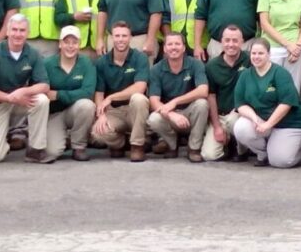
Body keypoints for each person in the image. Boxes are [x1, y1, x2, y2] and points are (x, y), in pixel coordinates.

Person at [0, 14, 54, 163]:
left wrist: (23, 92)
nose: (18, 34)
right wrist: (9, 98)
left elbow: (44, 85)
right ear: (7, 31)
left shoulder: (33, 53)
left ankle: (36, 150)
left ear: (28, 33)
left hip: (19, 100)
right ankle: (1, 138)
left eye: (22, 30)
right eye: (14, 30)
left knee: (41, 100)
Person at [232, 39, 301, 168]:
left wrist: (268, 124)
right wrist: (254, 118)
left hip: (290, 123)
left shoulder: (280, 73)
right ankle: (263, 154)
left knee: (281, 161)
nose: (256, 57)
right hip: (265, 122)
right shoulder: (245, 75)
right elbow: (241, 104)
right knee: (241, 127)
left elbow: (286, 103)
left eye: (261, 53)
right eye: (254, 53)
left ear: (269, 55)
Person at [146, 31, 212, 161]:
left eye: (177, 44)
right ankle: (172, 145)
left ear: (183, 47)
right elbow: (154, 100)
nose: (173, 47)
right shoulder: (156, 69)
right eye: (170, 44)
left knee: (202, 104)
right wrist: (171, 114)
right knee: (154, 118)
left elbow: (203, 90)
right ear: (164, 48)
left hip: (190, 113)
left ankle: (194, 148)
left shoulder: (195, 64)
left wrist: (175, 101)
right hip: (170, 115)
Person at [90, 22, 151, 160]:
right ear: (112, 38)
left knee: (139, 98)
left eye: (124, 35)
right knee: (98, 133)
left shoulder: (140, 58)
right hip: (114, 111)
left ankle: (137, 146)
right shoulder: (101, 62)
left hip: (134, 110)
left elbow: (140, 87)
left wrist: (111, 97)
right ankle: (121, 144)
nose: (120, 39)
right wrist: (101, 115)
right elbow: (99, 94)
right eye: (117, 36)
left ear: (130, 38)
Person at [41, 26, 98, 161]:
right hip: (53, 114)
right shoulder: (47, 64)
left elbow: (88, 92)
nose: (70, 46)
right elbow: (41, 90)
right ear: (60, 44)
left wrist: (58, 95)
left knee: (87, 105)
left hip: (75, 111)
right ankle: (63, 139)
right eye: (66, 42)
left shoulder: (86, 63)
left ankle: (79, 146)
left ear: (79, 45)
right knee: (53, 152)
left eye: (74, 42)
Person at [203, 26, 250, 162]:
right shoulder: (212, 66)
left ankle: (242, 149)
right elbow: (211, 96)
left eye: (235, 41)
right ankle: (227, 143)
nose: (231, 44)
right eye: (227, 40)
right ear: (221, 42)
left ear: (242, 42)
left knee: (233, 120)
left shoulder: (249, 60)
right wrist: (217, 126)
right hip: (220, 116)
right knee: (209, 155)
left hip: (240, 114)